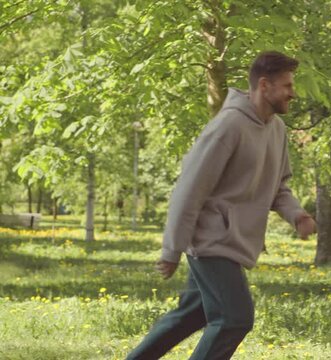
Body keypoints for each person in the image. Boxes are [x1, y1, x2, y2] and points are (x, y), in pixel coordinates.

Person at [127, 51, 316, 360]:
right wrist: (171, 250)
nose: (293, 93)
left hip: (231, 241)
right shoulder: (228, 126)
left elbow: (279, 187)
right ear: (264, 85)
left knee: (192, 314)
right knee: (235, 318)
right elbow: (189, 190)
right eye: (287, 85)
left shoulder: (277, 129)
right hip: (211, 240)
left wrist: (297, 215)